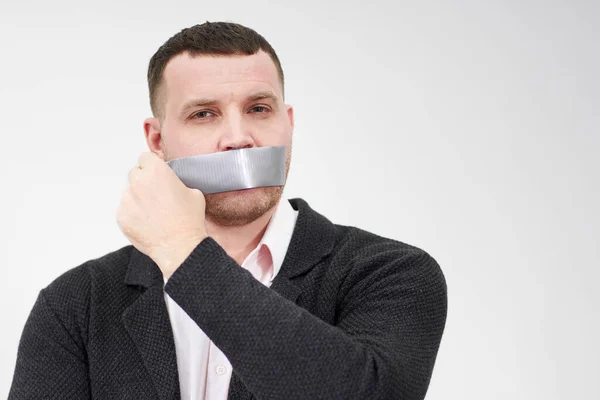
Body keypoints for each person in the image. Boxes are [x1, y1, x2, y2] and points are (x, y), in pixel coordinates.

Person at [9, 21, 447, 400]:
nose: (238, 139)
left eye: (259, 109)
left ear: (287, 123)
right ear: (157, 141)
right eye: (204, 114)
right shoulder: (74, 305)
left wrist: (183, 251)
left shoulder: (391, 273)